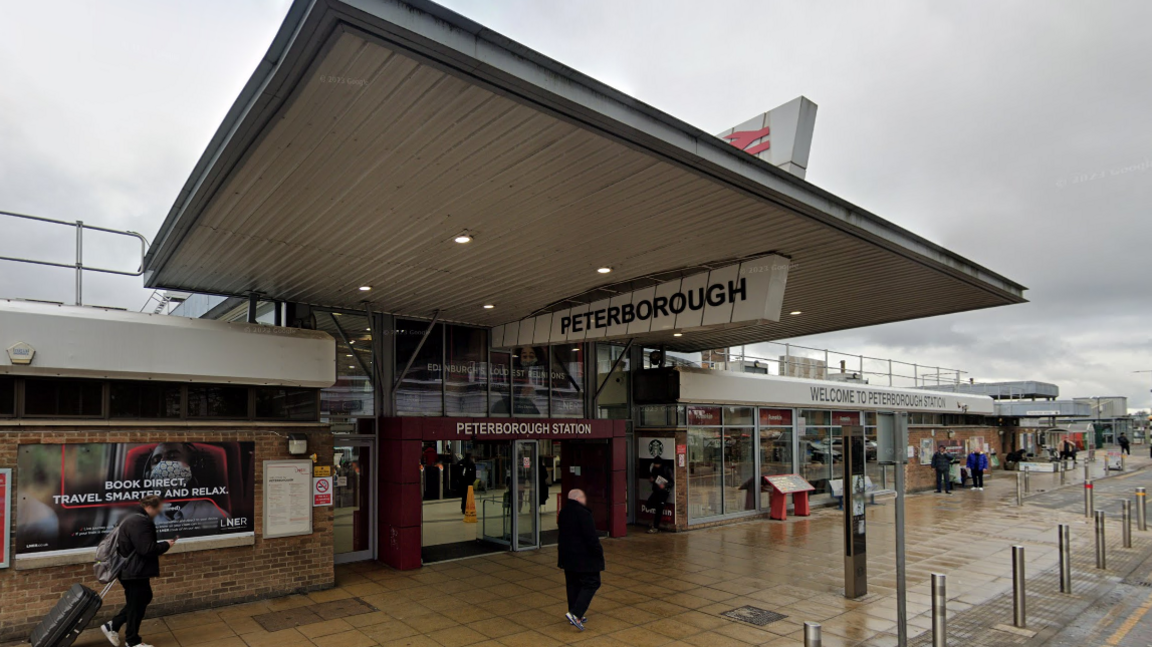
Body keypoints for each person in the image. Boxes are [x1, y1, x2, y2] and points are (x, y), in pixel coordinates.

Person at [101, 496, 175, 647]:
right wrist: (166, 545)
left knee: (143, 598)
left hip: (132, 569)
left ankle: (113, 625)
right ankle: (132, 641)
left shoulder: (130, 516)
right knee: (137, 603)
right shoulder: (140, 521)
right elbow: (146, 549)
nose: (159, 512)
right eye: (159, 508)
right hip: (134, 570)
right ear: (152, 507)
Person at [557, 489, 604, 632]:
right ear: (578, 498)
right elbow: (591, 537)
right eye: (583, 497)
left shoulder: (564, 512)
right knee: (592, 582)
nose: (585, 499)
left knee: (573, 583)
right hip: (584, 557)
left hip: (567, 556)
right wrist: (598, 552)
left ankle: (573, 610)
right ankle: (576, 613)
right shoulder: (584, 514)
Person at [646, 457, 672, 533]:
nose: (655, 465)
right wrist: (652, 480)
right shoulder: (654, 469)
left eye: (656, 464)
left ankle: (655, 527)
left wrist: (665, 485)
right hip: (656, 491)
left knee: (659, 510)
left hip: (663, 492)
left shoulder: (666, 469)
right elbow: (654, 478)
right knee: (649, 504)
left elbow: (671, 482)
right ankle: (654, 524)